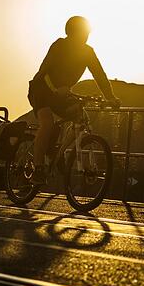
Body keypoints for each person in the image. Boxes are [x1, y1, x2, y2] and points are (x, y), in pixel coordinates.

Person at [27, 16, 119, 184]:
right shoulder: (60, 45)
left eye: (87, 33)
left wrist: (110, 98)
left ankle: (58, 152)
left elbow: (100, 75)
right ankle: (38, 168)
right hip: (41, 89)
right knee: (47, 123)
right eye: (83, 33)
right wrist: (56, 89)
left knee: (80, 117)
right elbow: (44, 71)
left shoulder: (88, 52)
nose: (86, 36)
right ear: (71, 33)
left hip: (62, 93)